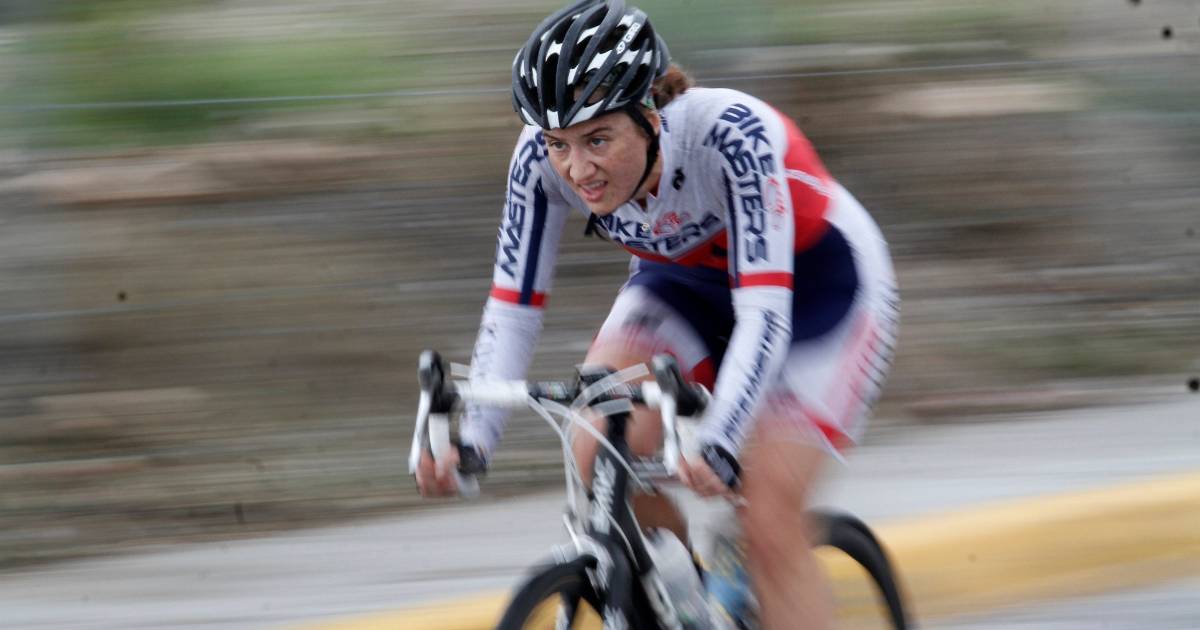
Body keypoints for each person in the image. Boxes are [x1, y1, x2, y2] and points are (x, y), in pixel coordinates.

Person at [415, 1, 900, 628]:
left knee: (769, 519)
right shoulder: (540, 159)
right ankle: (682, 606)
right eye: (559, 144)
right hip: (684, 287)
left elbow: (764, 312)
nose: (577, 169)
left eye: (598, 139)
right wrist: (474, 440)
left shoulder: (731, 136)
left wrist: (722, 440)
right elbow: (512, 309)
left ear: (650, 117)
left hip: (816, 294)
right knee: (597, 443)